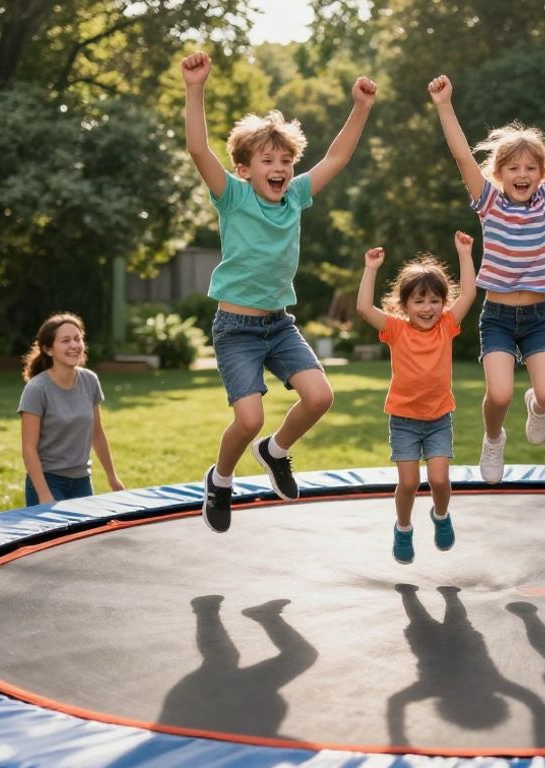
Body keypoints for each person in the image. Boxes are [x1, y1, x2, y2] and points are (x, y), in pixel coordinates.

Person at [181, 50, 376, 532]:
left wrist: (361, 108)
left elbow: (338, 156)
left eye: (286, 161)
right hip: (237, 329)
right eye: (268, 160)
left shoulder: (296, 197)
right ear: (245, 168)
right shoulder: (233, 195)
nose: (280, 167)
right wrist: (194, 89)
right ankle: (220, 480)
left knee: (319, 397)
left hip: (278, 323)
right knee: (246, 419)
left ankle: (275, 451)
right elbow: (198, 150)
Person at [428, 71, 545, 484]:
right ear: (499, 173)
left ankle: (536, 407)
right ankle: (493, 439)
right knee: (500, 393)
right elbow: (461, 157)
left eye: (530, 167)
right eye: (513, 168)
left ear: (541, 174)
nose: (522, 174)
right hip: (498, 319)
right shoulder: (488, 203)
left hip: (537, 317)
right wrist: (444, 106)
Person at [356, 232, 478, 564]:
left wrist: (465, 255)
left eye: (435, 300)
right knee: (408, 483)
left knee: (439, 479)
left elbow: (468, 293)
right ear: (405, 304)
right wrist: (371, 268)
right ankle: (404, 527)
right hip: (405, 421)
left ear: (443, 302)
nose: (428, 308)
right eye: (419, 301)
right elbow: (364, 308)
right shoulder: (396, 329)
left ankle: (440, 516)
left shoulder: (447, 326)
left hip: (439, 419)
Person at [18, 313, 124, 505]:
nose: (74, 345)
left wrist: (112, 476)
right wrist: (44, 494)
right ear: (48, 350)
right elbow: (29, 448)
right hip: (48, 481)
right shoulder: (36, 389)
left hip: (82, 481)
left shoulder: (89, 380)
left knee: (86, 536)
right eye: (65, 341)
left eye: (77, 339)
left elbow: (97, 433)